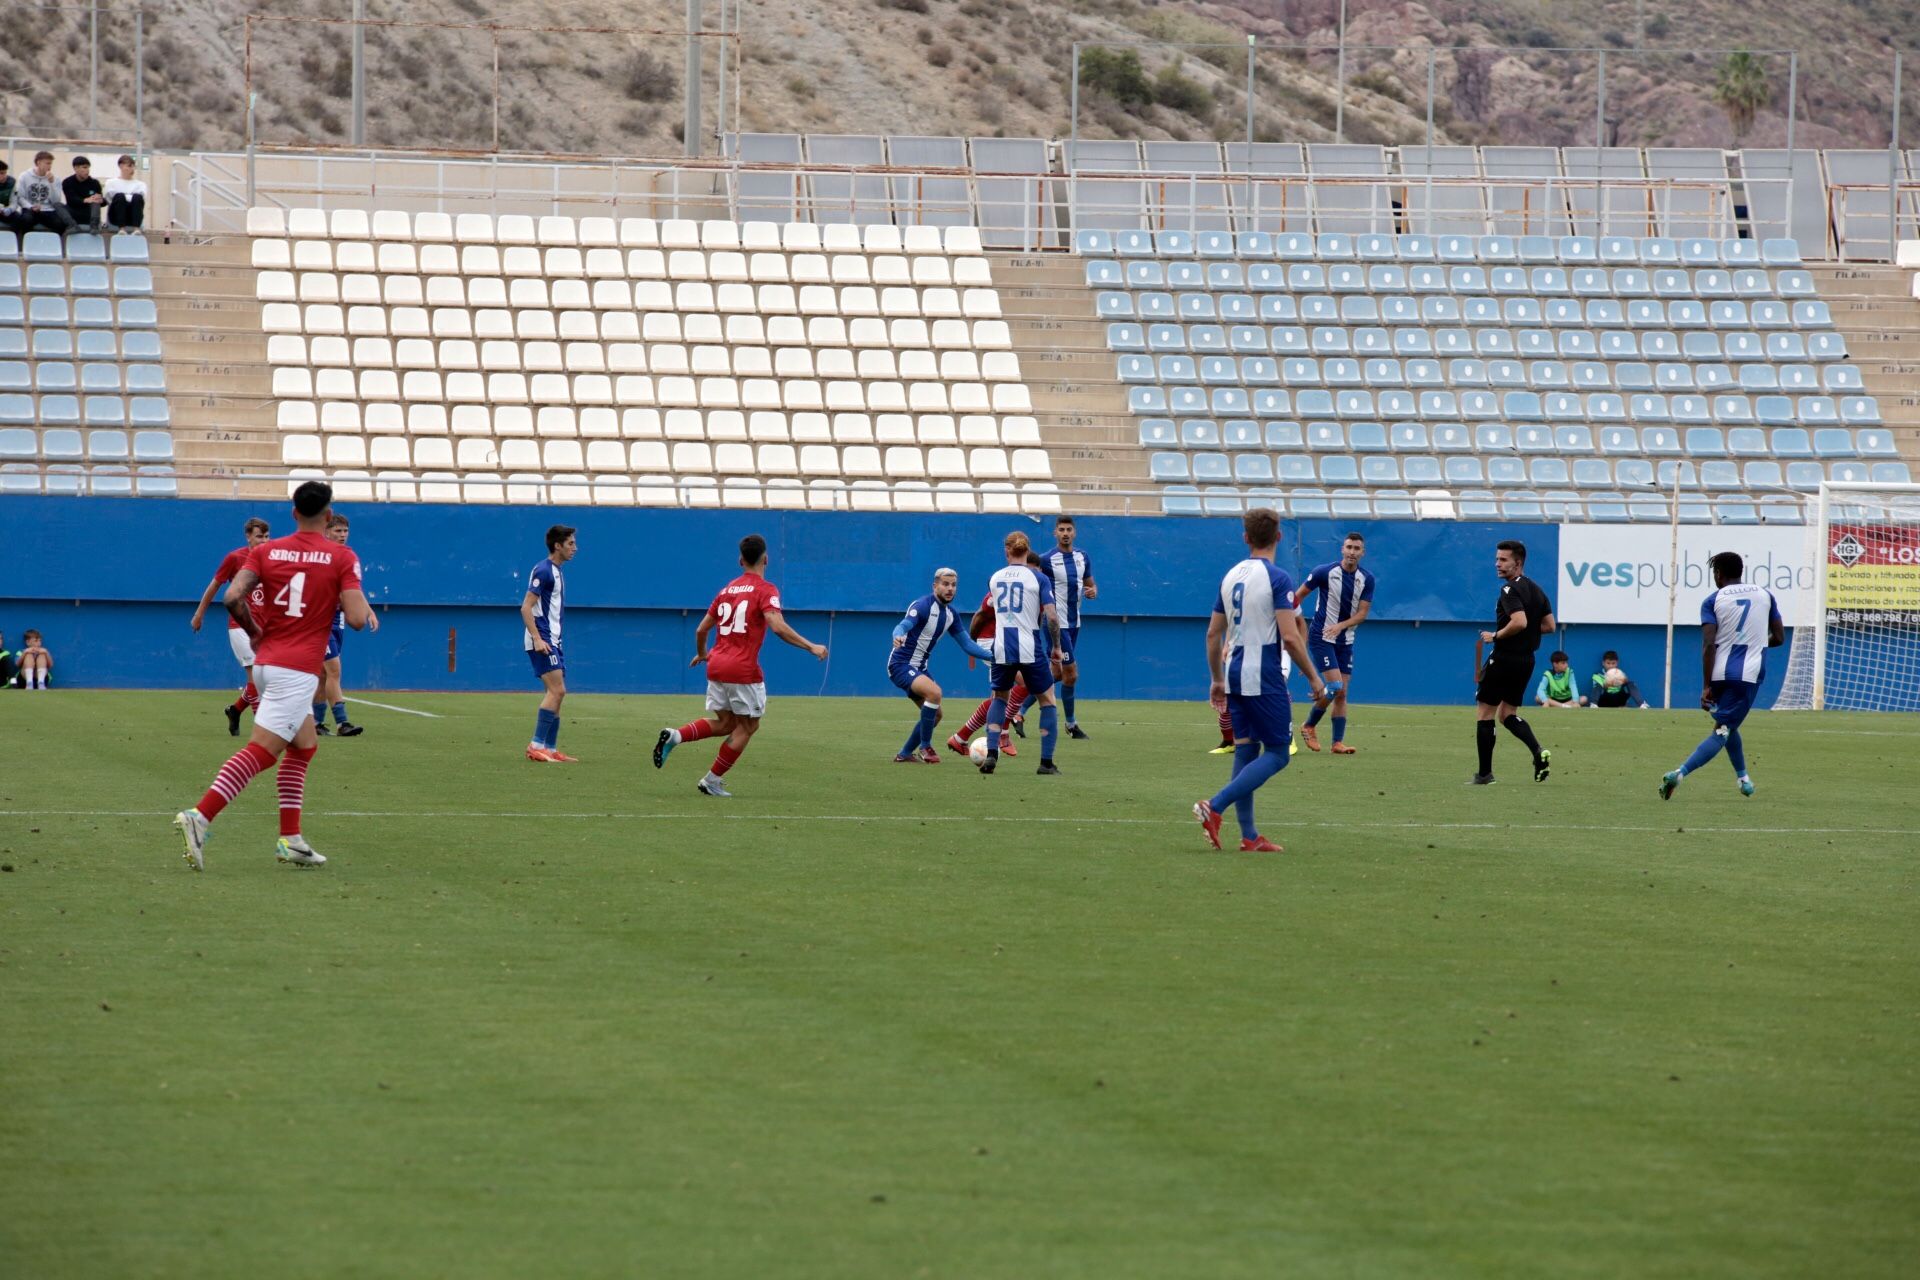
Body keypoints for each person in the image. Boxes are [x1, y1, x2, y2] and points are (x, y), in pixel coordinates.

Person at [173, 480, 369, 871]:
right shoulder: (341, 556)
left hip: (266, 662)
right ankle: (200, 816)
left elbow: (232, 597)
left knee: (304, 745)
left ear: (294, 513)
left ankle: (291, 840)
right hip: (296, 671)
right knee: (262, 751)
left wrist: (256, 632)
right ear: (328, 516)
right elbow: (358, 620)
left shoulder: (266, 550)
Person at [1194, 508, 1330, 852]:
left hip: (1235, 673)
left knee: (1246, 749)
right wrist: (1314, 678)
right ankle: (1215, 805)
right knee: (1279, 754)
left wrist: (1216, 679)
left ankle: (1249, 835)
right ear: (1279, 537)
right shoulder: (1278, 578)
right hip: (1263, 676)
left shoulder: (1230, 576)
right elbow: (1290, 636)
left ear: (1245, 538)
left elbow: (1213, 634)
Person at [654, 534, 828, 797]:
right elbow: (777, 626)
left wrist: (703, 654)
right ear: (766, 559)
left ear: (740, 560)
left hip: (717, 665)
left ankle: (676, 735)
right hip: (742, 669)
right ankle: (711, 781)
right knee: (748, 727)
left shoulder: (726, 590)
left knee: (726, 724)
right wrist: (811, 646)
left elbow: (701, 629)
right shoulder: (766, 589)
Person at [1661, 552, 1784, 800]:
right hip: (1748, 674)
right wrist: (1755, 645)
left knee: (1727, 724)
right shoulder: (1765, 595)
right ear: (1740, 571)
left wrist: (1706, 685)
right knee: (1724, 728)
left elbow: (1709, 645)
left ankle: (1744, 779)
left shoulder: (1712, 600)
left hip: (1719, 672)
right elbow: (1779, 638)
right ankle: (1680, 773)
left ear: (1718, 574)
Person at [977, 531, 1066, 776]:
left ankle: (992, 753)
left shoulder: (994, 578)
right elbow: (1051, 617)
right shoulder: (1038, 578)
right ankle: (1046, 763)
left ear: (1007, 551)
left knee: (999, 697)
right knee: (1047, 699)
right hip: (1029, 645)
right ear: (1027, 550)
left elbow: (988, 611)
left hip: (1002, 644)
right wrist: (1056, 648)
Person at [1472, 540, 1556, 785]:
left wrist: (1495, 636)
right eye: (1497, 558)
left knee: (1485, 714)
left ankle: (1484, 774)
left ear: (1517, 563)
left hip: (1505, 658)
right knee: (1508, 714)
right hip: (1526, 661)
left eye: (1503, 560)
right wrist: (1527, 634)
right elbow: (1549, 626)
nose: (1497, 564)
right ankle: (1538, 751)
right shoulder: (1538, 590)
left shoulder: (1510, 590)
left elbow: (1519, 621)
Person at [889, 568, 992, 763]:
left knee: (936, 715)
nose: (950, 589)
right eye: (945, 584)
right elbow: (903, 625)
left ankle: (904, 754)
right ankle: (925, 747)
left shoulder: (951, 614)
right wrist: (898, 635)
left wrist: (993, 656)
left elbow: (968, 645)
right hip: (901, 664)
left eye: (953, 585)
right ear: (935, 586)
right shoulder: (922, 606)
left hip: (920, 668)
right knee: (935, 693)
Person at [1292, 532, 1375, 754]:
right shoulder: (1324, 572)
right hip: (1322, 637)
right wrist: (1300, 632)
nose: (1352, 552)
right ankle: (1309, 725)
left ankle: (1337, 742)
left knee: (1342, 693)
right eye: (1349, 547)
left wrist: (1340, 626)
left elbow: (1362, 614)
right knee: (1336, 687)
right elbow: (1296, 598)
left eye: (1357, 548)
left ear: (1362, 553)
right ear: (1342, 549)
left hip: (1345, 640)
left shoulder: (1367, 579)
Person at [191, 515, 272, 735]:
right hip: (240, 626)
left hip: (264, 628)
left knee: (264, 677)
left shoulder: (272, 558)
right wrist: (199, 614)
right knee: (255, 674)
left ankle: (236, 710)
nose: (263, 541)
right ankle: (263, 729)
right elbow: (214, 585)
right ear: (248, 537)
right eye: (258, 536)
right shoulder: (235, 558)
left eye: (266, 536)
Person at [945, 577, 1029, 758]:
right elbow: (978, 617)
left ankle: (960, 738)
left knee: (999, 698)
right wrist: (972, 647)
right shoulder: (994, 597)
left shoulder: (1022, 594)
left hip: (1006, 644)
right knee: (1024, 683)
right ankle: (1003, 733)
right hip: (990, 644)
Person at [313, 514, 377, 737]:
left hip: (337, 621)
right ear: (327, 531)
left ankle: (316, 723)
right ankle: (342, 723)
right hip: (319, 621)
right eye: (337, 531)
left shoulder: (346, 556)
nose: (342, 535)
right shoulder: (319, 555)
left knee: (323, 675)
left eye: (345, 531)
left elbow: (352, 588)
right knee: (334, 670)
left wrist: (368, 610)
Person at [521, 524, 578, 763]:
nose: (575, 548)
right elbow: (526, 607)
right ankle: (536, 745)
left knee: (556, 694)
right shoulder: (544, 571)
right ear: (558, 545)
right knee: (558, 690)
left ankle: (551, 748)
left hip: (553, 640)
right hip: (543, 639)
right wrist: (537, 639)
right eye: (571, 543)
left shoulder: (556, 571)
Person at [1041, 514, 1097, 740]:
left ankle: (1018, 712)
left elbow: (1090, 584)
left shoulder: (1083, 557)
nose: (1065, 533)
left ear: (1074, 533)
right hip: (1056, 624)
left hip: (1075, 623)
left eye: (1068, 529)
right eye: (1061, 529)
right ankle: (1072, 725)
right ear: (1055, 533)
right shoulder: (1046, 560)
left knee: (1056, 673)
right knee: (1071, 674)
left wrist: (1093, 591)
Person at [8, 152, 73, 234]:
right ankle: (25, 243)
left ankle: (53, 244)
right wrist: (30, 206)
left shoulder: (55, 179)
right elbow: (20, 197)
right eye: (47, 163)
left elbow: (56, 201)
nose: (50, 166)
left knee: (60, 224)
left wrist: (51, 183)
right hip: (29, 208)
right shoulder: (24, 176)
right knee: (25, 220)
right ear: (38, 163)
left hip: (48, 209)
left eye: (51, 164)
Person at [102, 155, 146, 234]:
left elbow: (140, 199)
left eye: (133, 166)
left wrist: (128, 197)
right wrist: (128, 196)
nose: (132, 169)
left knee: (137, 197)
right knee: (120, 197)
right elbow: (110, 200)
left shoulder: (140, 184)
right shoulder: (111, 182)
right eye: (129, 166)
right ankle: (121, 228)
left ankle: (136, 229)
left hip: (133, 215)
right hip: (116, 216)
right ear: (121, 166)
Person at [62, 157, 104, 233]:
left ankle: (94, 226)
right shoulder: (67, 182)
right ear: (76, 168)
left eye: (88, 168)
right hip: (73, 212)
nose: (87, 170)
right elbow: (71, 200)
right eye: (84, 167)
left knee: (96, 201)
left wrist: (101, 200)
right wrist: (85, 200)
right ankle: (72, 225)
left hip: (88, 213)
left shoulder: (94, 183)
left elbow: (103, 202)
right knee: (57, 204)